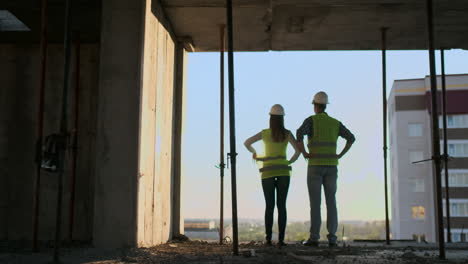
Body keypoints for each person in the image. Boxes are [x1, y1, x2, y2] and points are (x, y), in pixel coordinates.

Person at [296, 91, 355, 248]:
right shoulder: (335, 123)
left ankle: (314, 238)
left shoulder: (311, 121)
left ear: (315, 106)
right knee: (331, 202)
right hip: (331, 166)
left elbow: (299, 134)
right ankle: (332, 239)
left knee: (315, 204)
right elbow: (351, 138)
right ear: (325, 106)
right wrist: (340, 155)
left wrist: (305, 153)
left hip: (314, 166)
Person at [244, 104, 300, 246]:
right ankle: (281, 240)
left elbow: (247, 142)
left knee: (269, 206)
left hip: (267, 173)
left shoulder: (264, 133)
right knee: (282, 206)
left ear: (270, 118)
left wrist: (254, 153)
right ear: (282, 118)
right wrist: (289, 162)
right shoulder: (287, 133)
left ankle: (268, 239)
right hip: (283, 172)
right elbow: (298, 151)